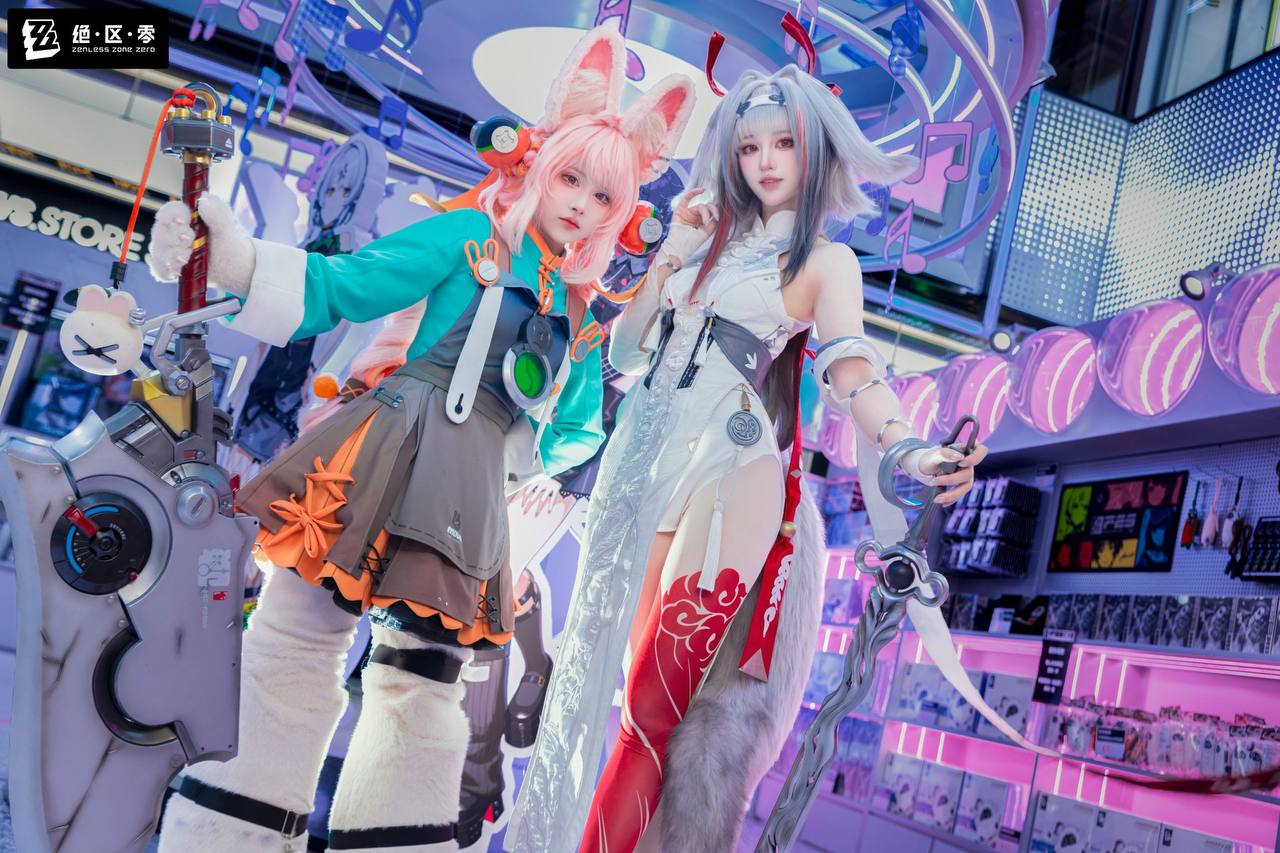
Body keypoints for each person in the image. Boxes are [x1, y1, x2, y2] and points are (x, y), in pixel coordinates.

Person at [144, 27, 693, 852]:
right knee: (296, 638)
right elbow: (347, 285)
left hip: (469, 496)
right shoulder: (465, 240)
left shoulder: (580, 313)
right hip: (379, 452)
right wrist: (230, 258)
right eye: (570, 177)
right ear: (540, 166)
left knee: (424, 680)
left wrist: (532, 449)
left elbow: (575, 434)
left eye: (602, 196)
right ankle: (224, 834)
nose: (580, 203)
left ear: (621, 215)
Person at [508, 65, 986, 853]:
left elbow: (851, 368)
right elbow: (625, 354)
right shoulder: (704, 241)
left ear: (815, 152)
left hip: (731, 472)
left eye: (784, 144)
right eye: (750, 145)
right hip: (646, 463)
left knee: (653, 711)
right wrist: (673, 252)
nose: (765, 161)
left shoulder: (824, 262)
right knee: (624, 701)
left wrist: (908, 444)